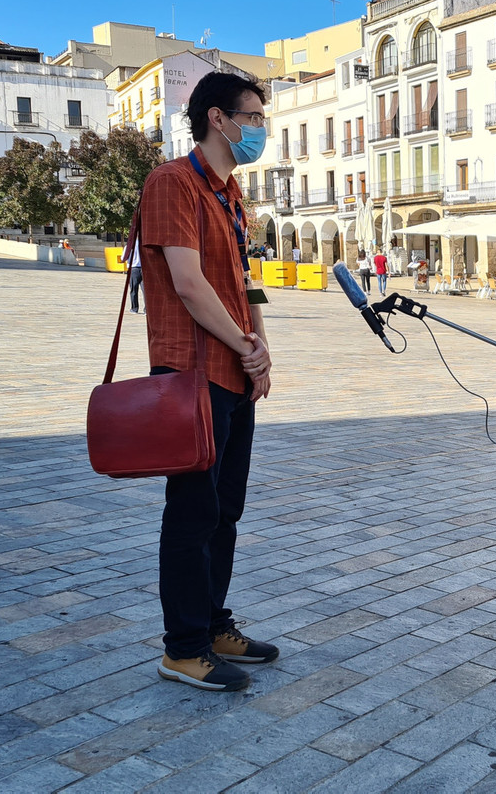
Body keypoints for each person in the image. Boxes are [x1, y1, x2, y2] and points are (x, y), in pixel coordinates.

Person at [137, 70, 279, 693]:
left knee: (226, 510)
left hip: (234, 370)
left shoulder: (231, 192)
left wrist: (262, 344)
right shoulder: (173, 183)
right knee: (191, 512)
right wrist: (245, 347)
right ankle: (183, 647)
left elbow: (245, 278)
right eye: (252, 118)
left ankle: (214, 623)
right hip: (192, 372)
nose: (260, 130)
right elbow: (190, 285)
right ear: (217, 118)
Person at [126, 239, 144, 313]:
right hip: (144, 269)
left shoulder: (129, 246)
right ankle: (146, 310)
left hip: (134, 269)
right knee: (145, 291)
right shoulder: (144, 246)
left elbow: (123, 257)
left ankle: (134, 308)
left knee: (134, 290)